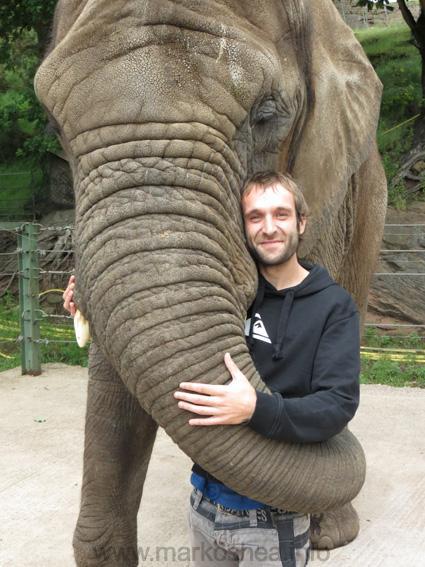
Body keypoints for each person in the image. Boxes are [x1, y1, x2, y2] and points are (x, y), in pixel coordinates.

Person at [63, 171, 361, 567]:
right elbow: (157, 338)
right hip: (204, 503)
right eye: (255, 217)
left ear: (301, 222)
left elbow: (336, 405)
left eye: (280, 215)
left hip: (274, 518)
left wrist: (256, 407)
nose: (268, 228)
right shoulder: (225, 293)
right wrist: (99, 298)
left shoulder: (333, 307)